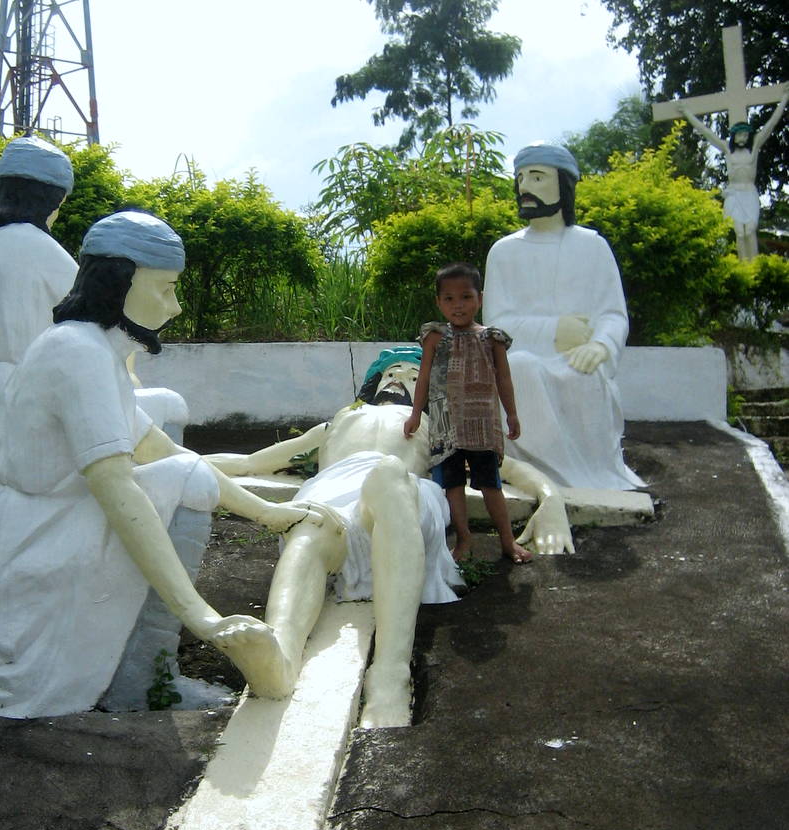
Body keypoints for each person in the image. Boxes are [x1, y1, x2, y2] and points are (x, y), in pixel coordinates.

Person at [0, 211, 321, 718]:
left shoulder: (90, 347)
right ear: (121, 282)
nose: (173, 307)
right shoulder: (78, 353)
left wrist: (266, 512)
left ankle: (147, 674)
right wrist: (203, 617)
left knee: (182, 472)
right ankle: (145, 679)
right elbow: (119, 488)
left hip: (18, 533)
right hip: (20, 551)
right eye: (166, 288)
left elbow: (156, 447)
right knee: (181, 484)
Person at [207, 349, 573, 728]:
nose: (399, 377)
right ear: (376, 381)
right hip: (332, 495)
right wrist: (174, 460)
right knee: (309, 525)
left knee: (388, 474)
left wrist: (551, 500)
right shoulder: (338, 423)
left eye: (415, 375)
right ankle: (279, 653)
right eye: (392, 371)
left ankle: (389, 674)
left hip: (403, 496)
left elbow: (506, 468)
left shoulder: (436, 425)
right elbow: (249, 463)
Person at [483, 141, 644, 499]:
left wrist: (601, 345)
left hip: (580, 359)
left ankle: (585, 472)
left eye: (538, 177)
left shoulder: (593, 246)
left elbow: (612, 314)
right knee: (521, 367)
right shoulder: (504, 252)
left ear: (563, 185)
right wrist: (556, 330)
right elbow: (497, 325)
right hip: (528, 359)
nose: (525, 187)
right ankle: (534, 471)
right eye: (521, 178)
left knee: (583, 375)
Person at [0, 135, 79, 502]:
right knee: (25, 496)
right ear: (50, 198)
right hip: (21, 388)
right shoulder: (40, 248)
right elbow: (89, 316)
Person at [403, 262, 532, 565]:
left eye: (465, 297)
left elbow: (504, 378)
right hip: (445, 425)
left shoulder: (493, 338)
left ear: (480, 299)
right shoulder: (434, 336)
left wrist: (512, 414)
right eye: (448, 298)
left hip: (483, 425)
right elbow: (423, 377)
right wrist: (415, 414)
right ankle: (464, 540)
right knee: (453, 485)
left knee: (490, 484)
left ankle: (507, 541)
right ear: (438, 302)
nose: (457, 305)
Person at [676, 84, 789, 260]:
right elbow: (705, 132)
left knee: (750, 229)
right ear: (734, 137)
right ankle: (743, 267)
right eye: (740, 135)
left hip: (749, 192)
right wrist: (688, 113)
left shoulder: (754, 148)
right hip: (735, 193)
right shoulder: (728, 151)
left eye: (745, 135)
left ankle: (754, 267)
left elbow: (771, 124)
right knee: (740, 232)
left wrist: (784, 99)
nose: (743, 138)